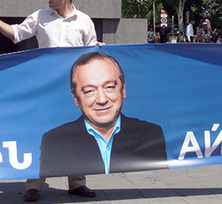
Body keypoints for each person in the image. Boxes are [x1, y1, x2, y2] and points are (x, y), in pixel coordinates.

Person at [0, 0, 101, 202]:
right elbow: (16, 33)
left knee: (77, 134)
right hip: (45, 87)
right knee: (41, 135)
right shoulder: (40, 16)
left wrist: (99, 48)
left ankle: (77, 183)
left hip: (75, 89)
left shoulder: (84, 21)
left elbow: (92, 52)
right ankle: (33, 185)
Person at [39, 52, 167, 177]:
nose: (102, 100)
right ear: (76, 98)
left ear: (123, 90)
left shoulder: (150, 134)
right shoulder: (55, 141)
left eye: (109, 87)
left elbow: (158, 179)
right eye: (89, 91)